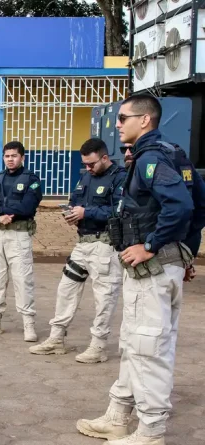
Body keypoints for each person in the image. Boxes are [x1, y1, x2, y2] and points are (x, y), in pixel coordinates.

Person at [76, 94, 205, 445]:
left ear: (144, 120)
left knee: (148, 349)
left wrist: (152, 246)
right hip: (161, 266)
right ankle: (118, 416)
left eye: (123, 118)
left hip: (152, 270)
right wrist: (184, 253)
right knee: (135, 344)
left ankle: (150, 431)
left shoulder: (151, 158)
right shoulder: (172, 153)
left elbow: (180, 207)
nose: (117, 124)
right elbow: (200, 206)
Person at [29, 138, 127, 363]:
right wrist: (72, 213)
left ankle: (98, 346)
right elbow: (76, 199)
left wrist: (87, 213)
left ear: (105, 158)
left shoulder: (120, 178)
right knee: (66, 289)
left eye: (92, 164)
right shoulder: (86, 177)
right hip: (82, 244)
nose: (88, 168)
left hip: (106, 246)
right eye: (85, 164)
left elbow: (120, 211)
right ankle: (56, 338)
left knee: (104, 298)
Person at [0, 141, 43, 341]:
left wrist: (1, 210)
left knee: (23, 279)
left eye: (14, 156)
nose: (10, 159)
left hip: (18, 235)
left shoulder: (32, 180)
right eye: (7, 156)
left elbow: (28, 207)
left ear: (22, 157)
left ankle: (28, 324)